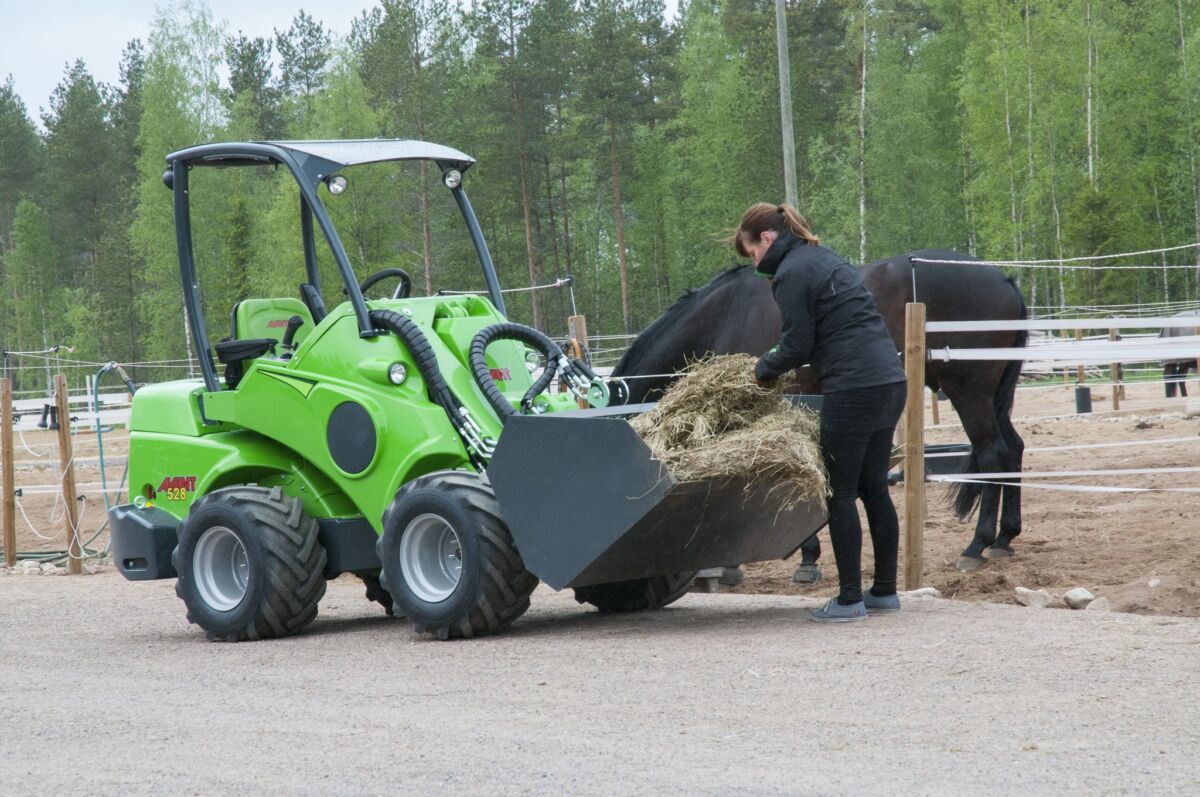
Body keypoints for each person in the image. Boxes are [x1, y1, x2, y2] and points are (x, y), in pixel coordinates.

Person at [733, 202, 907, 623]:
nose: (755, 261)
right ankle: (883, 592)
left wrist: (760, 371)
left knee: (840, 492)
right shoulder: (826, 258)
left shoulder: (791, 273)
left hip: (853, 387)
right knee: (875, 488)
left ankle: (849, 600)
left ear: (767, 240)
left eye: (752, 252)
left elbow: (796, 345)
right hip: (889, 380)